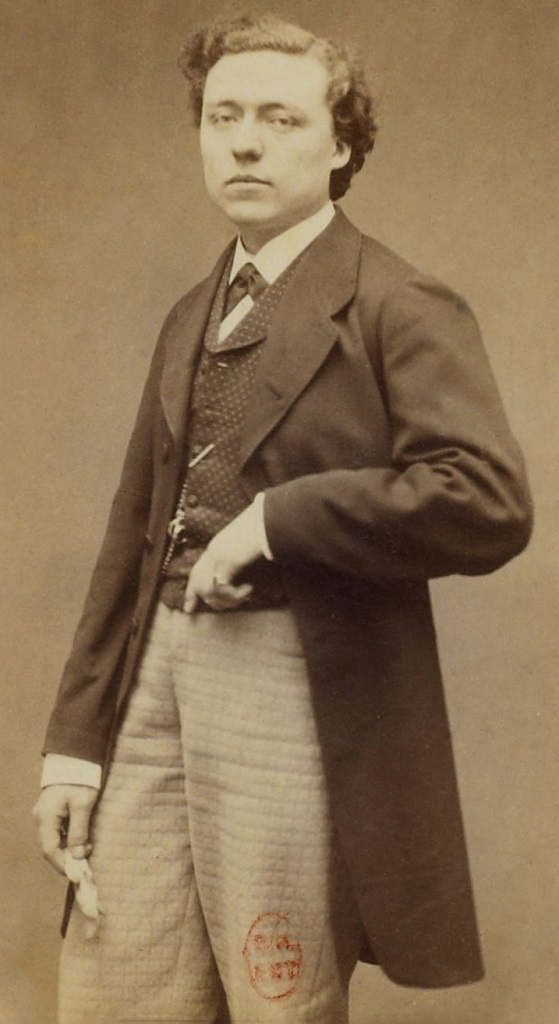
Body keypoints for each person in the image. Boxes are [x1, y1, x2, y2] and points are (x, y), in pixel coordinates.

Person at [33, 13, 533, 1024]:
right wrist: (74, 745)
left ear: (340, 145)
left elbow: (485, 497)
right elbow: (132, 533)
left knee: (277, 996)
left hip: (291, 677)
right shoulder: (192, 311)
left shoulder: (399, 302)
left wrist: (278, 521)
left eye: (279, 118)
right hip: (149, 677)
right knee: (116, 980)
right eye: (223, 117)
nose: (245, 144)